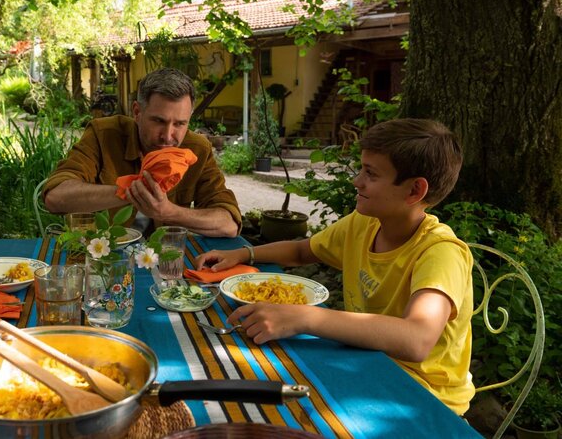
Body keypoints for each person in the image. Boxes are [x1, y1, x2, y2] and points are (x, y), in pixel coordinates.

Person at [195, 118, 475, 415]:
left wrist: (306, 317)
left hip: (423, 398)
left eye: (371, 173)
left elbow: (417, 339)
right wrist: (244, 254)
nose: (357, 181)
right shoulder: (365, 223)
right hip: (365, 362)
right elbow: (303, 251)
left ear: (414, 191)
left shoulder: (441, 253)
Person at [44, 67, 240, 237]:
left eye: (180, 124)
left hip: (165, 259)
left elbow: (228, 224)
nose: (168, 136)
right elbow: (56, 197)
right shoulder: (103, 134)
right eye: (159, 121)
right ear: (137, 112)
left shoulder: (197, 148)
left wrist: (168, 212)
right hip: (105, 257)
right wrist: (131, 190)